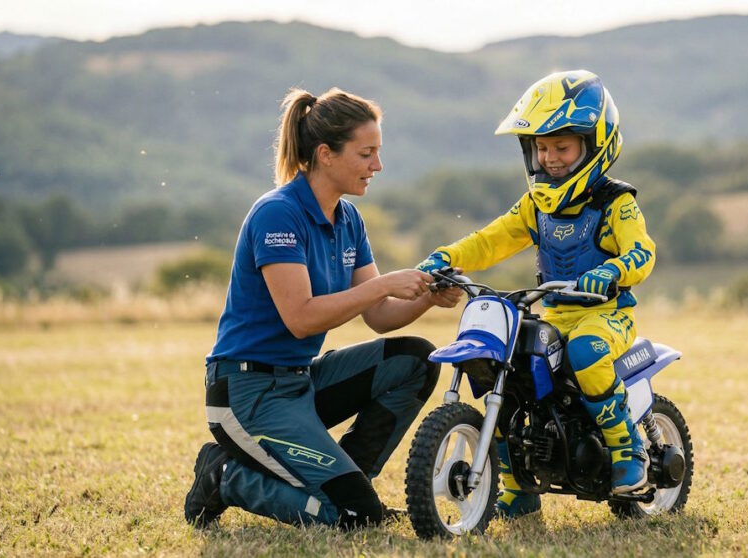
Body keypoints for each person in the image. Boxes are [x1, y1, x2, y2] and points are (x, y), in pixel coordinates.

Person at [184, 86, 462, 529]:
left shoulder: (349, 219)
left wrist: (427, 297)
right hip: (246, 395)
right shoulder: (277, 214)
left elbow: (379, 317)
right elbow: (302, 318)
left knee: (416, 360)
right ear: (325, 155)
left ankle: (351, 482)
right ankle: (223, 476)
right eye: (366, 154)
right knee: (354, 517)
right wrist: (385, 284)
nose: (377, 166)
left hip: (300, 383)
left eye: (377, 153)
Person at [417, 70, 656, 518]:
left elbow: (642, 252)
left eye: (562, 147)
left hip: (606, 315)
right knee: (509, 375)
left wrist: (612, 270)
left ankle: (629, 451)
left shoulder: (615, 203)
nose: (550, 158)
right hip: (555, 315)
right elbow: (490, 240)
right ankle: (516, 488)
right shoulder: (536, 206)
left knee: (585, 351)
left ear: (594, 144)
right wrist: (447, 256)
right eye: (541, 148)